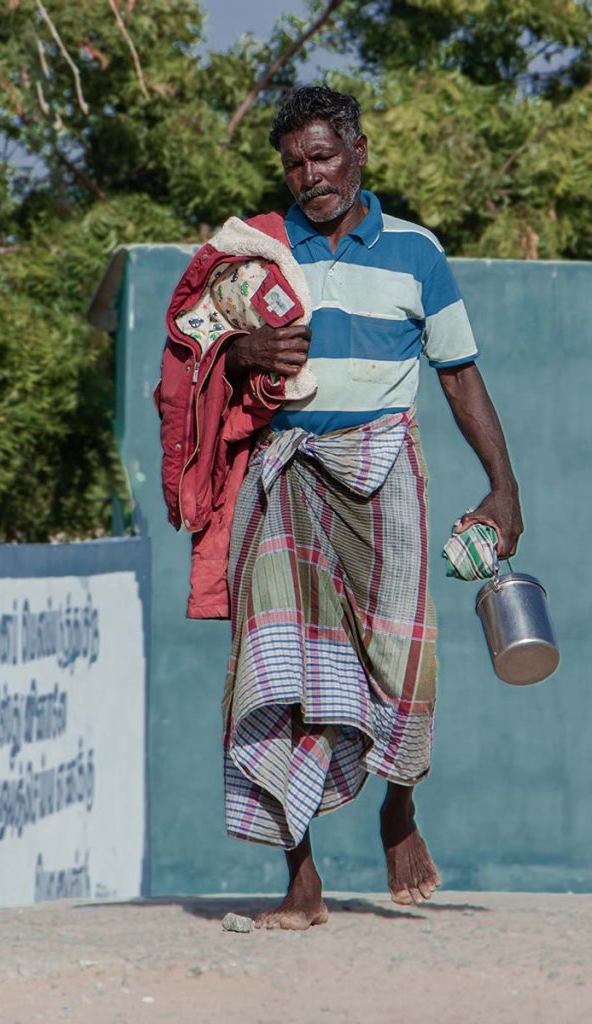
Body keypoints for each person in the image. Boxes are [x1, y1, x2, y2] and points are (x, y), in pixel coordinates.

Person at [213, 85, 525, 930]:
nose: (307, 175)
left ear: (356, 153)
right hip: (283, 471)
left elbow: (459, 375)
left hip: (385, 468)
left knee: (402, 658)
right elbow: (198, 355)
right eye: (291, 163)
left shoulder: (416, 252)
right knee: (278, 675)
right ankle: (301, 880)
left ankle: (398, 806)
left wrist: (502, 486)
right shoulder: (260, 254)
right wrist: (242, 347)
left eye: (320, 156)